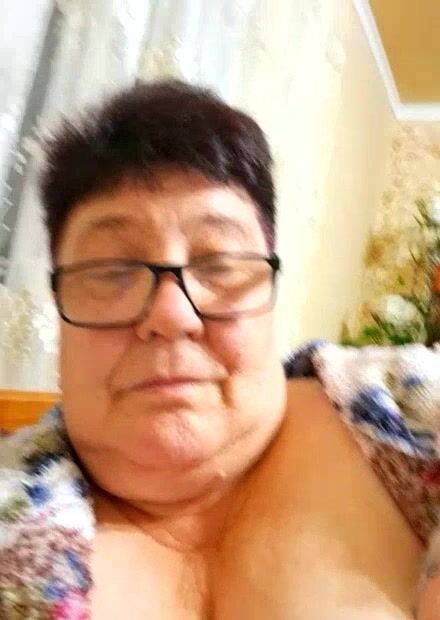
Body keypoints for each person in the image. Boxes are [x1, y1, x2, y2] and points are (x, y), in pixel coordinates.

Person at [1, 79, 438, 619]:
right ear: (58, 300)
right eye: (113, 271)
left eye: (218, 264)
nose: (171, 314)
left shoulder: (409, 406)